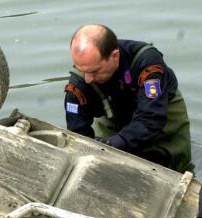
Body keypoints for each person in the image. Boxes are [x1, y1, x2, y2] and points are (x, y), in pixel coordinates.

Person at [65, 24, 194, 173]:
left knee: (176, 168)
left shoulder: (148, 63)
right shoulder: (79, 83)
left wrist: (114, 144)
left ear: (115, 56)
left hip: (161, 115)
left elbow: (151, 118)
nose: (88, 79)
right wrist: (99, 150)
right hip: (114, 118)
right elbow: (78, 133)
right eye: (82, 70)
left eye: (95, 71)